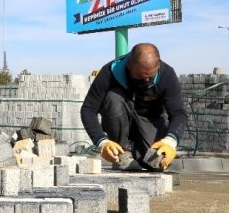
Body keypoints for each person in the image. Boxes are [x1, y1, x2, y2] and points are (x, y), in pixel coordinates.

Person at [80, 43, 187, 171]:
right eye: (141, 77)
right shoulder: (110, 72)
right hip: (118, 115)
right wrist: (102, 142)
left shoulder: (167, 75)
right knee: (113, 98)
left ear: (158, 66)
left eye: (150, 77)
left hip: (149, 118)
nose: (146, 81)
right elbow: (88, 109)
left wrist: (170, 141)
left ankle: (141, 155)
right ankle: (122, 153)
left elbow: (178, 113)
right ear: (129, 66)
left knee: (154, 162)